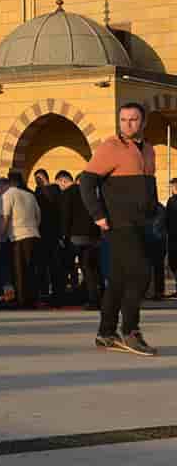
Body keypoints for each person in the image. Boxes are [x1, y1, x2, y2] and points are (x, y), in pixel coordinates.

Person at [80, 102, 159, 355]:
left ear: (143, 122)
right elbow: (86, 182)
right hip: (119, 224)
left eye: (133, 119)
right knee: (140, 274)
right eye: (123, 119)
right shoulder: (110, 147)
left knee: (118, 280)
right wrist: (98, 215)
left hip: (142, 223)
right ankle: (131, 331)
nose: (128, 124)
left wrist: (155, 212)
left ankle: (105, 333)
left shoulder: (148, 150)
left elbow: (149, 185)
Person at [57, 169, 101, 309]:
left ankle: (64, 296)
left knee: (68, 266)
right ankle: (94, 297)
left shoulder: (69, 193)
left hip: (75, 236)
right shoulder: (93, 193)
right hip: (93, 235)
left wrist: (63, 234)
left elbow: (65, 215)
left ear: (64, 181)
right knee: (91, 268)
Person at [0, 172, 41, 309]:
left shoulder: (7, 195)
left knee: (19, 270)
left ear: (9, 182)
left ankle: (22, 301)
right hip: (33, 234)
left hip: (18, 236)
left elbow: (5, 218)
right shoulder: (30, 195)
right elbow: (38, 216)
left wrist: (0, 236)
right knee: (31, 268)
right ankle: (33, 298)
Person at [33, 170, 66, 306]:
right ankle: (53, 294)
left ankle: (50, 293)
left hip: (48, 233)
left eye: (38, 179)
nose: (37, 182)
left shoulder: (50, 191)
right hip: (50, 233)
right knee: (51, 265)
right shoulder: (51, 192)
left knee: (50, 265)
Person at [167, 179, 177, 297]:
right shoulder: (171, 200)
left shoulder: (173, 201)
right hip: (172, 236)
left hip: (174, 236)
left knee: (174, 262)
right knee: (173, 263)